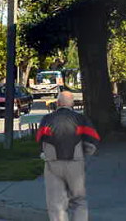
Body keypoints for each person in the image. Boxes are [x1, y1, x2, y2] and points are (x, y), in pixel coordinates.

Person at [37, 91, 100, 221]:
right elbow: (93, 139)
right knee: (78, 200)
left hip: (52, 163)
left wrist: (44, 153)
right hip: (75, 164)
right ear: (71, 103)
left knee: (56, 203)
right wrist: (85, 151)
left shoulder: (47, 119)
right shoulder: (80, 119)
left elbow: (39, 139)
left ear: (58, 103)